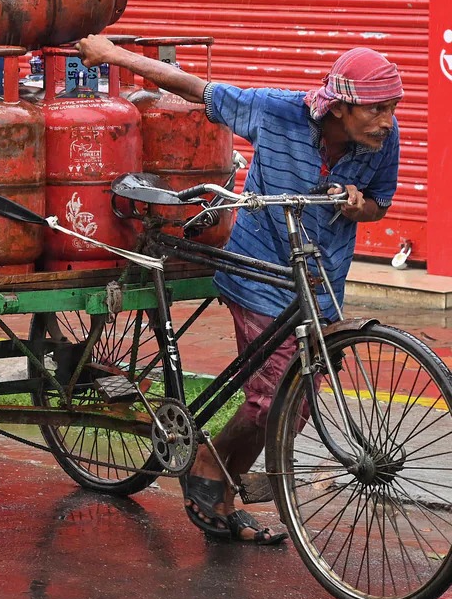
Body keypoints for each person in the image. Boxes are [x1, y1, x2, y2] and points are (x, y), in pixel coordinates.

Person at [76, 34, 403, 544]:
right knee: (272, 400)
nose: (388, 119)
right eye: (378, 109)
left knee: (297, 398)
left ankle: (218, 477)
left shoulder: (384, 140)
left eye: (392, 108)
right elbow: (193, 88)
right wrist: (111, 55)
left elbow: (380, 202)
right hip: (259, 271)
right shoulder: (276, 112)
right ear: (340, 108)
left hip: (320, 283)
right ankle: (210, 471)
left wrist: (361, 207)